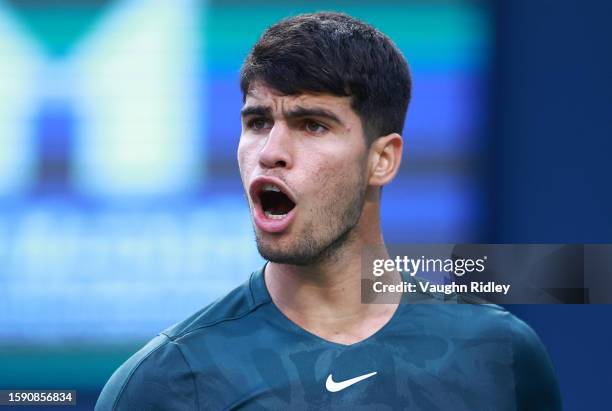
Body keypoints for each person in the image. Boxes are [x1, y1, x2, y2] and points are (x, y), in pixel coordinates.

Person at [95, 12, 561, 410]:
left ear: (383, 159)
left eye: (312, 125)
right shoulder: (166, 381)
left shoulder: (501, 354)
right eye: (257, 122)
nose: (271, 151)